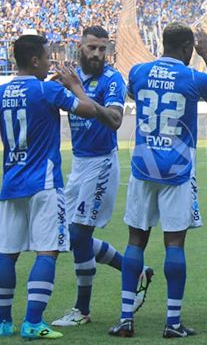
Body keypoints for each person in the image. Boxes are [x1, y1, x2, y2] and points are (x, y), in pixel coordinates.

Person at [108, 23, 207, 338]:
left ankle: (126, 319)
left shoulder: (138, 71)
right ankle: (172, 322)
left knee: (136, 240)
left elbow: (134, 92)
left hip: (142, 166)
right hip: (177, 170)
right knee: (174, 243)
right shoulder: (194, 77)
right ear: (189, 47)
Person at [52, 26, 153, 328]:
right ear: (79, 47)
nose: (97, 54)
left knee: (80, 235)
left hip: (101, 165)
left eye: (102, 48)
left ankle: (82, 309)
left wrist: (77, 92)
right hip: (79, 163)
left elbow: (114, 120)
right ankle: (134, 270)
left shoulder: (112, 80)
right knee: (73, 236)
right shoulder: (72, 77)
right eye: (91, 47)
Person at [0, 35, 97, 339]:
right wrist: (73, 85)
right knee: (48, 251)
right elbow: (88, 110)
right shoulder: (48, 89)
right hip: (43, 183)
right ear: (34, 61)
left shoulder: (3, 92)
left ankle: (4, 321)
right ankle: (32, 322)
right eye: (46, 57)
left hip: (10, 182)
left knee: (6, 253)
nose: (50, 62)